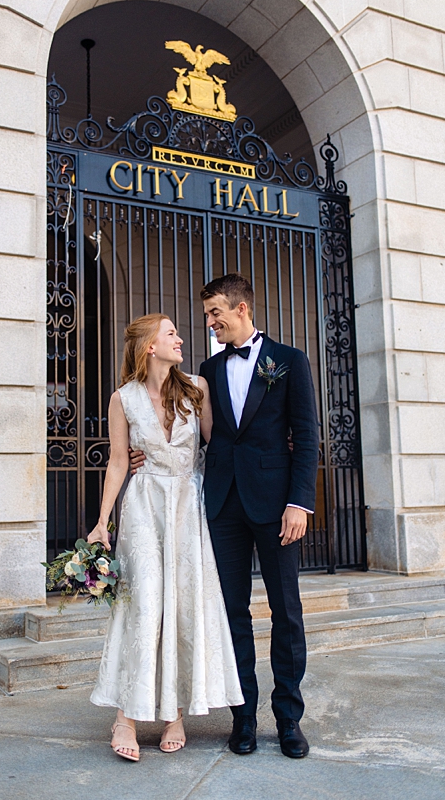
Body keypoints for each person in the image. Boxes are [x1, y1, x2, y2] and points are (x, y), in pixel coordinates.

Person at [131, 273, 319, 759]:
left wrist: (300, 502)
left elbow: (307, 438)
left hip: (279, 507)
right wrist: (141, 454)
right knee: (232, 613)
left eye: (215, 312)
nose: (209, 321)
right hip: (221, 506)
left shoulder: (290, 361)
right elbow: (184, 428)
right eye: (207, 313)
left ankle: (289, 720)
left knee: (287, 612)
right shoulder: (205, 370)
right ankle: (244, 719)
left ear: (241, 310)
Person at [87, 313, 244, 762]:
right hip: (143, 509)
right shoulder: (124, 399)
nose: (180, 339)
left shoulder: (196, 388)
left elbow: (218, 442)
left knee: (182, 605)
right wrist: (102, 522)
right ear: (149, 347)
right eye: (171, 333)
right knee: (144, 607)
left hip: (189, 511)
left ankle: (175, 713)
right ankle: (126, 717)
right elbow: (118, 462)